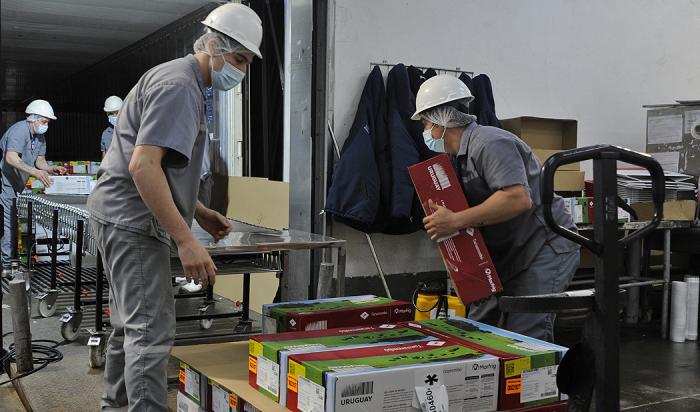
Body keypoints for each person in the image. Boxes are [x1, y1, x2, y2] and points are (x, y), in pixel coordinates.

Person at [86, 3, 262, 410]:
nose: (241, 71)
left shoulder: (181, 80)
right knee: (150, 333)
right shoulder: (180, 86)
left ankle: (116, 405)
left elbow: (162, 165)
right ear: (214, 46)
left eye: (247, 63)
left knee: (128, 326)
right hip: (133, 223)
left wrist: (197, 210)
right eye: (238, 59)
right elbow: (143, 166)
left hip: (119, 216)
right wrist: (186, 241)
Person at [415, 75, 580, 342]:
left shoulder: (490, 143)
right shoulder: (457, 159)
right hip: (512, 251)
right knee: (488, 329)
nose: (425, 131)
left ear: (441, 119)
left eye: (426, 123)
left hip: (544, 246)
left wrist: (455, 220)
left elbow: (516, 198)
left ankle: (539, 384)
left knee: (525, 332)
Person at [0, 100, 67, 276]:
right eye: (44, 122)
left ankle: (12, 262)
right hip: (5, 181)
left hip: (17, 184)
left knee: (14, 223)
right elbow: (11, 158)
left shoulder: (39, 136)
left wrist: (51, 169)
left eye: (47, 123)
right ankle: (7, 265)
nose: (46, 126)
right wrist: (35, 172)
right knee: (8, 224)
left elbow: (40, 161)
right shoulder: (19, 130)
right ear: (33, 119)